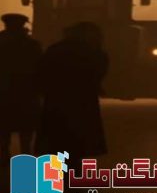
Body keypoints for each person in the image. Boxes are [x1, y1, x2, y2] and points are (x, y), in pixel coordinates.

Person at [36, 22, 108, 166]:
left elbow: (42, 71)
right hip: (82, 98)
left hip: (57, 97)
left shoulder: (55, 49)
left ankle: (58, 165)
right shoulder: (91, 50)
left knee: (57, 134)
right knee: (79, 133)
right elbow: (100, 68)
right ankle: (75, 163)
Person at [0, 13, 42, 161]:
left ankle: (4, 154)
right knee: (26, 128)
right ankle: (25, 155)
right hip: (26, 93)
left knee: (3, 128)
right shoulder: (32, 45)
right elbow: (40, 69)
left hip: (4, 93)